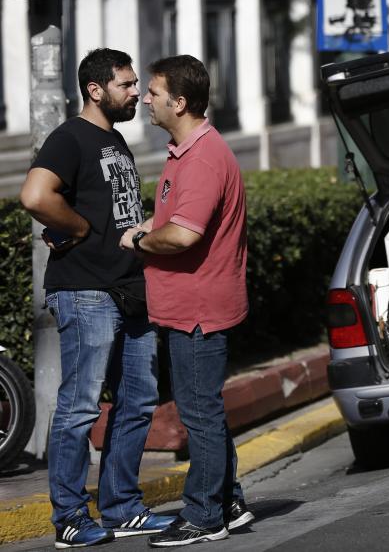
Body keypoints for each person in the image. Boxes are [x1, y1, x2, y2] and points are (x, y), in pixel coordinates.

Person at [19, 48, 176, 546]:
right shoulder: (70, 138)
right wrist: (79, 226)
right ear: (96, 90)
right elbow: (35, 196)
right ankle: (69, 516)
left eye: (135, 85)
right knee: (81, 406)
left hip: (129, 288)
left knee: (138, 401)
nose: (136, 93)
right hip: (86, 290)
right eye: (127, 85)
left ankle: (121, 507)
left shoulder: (114, 141)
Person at [118, 55, 254, 546]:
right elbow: (171, 222)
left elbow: (182, 236)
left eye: (153, 93)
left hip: (198, 308)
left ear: (179, 102)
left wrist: (137, 242)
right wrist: (146, 228)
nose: (145, 99)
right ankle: (229, 501)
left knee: (198, 415)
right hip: (189, 304)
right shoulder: (187, 151)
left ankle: (203, 515)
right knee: (205, 411)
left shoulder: (201, 159)